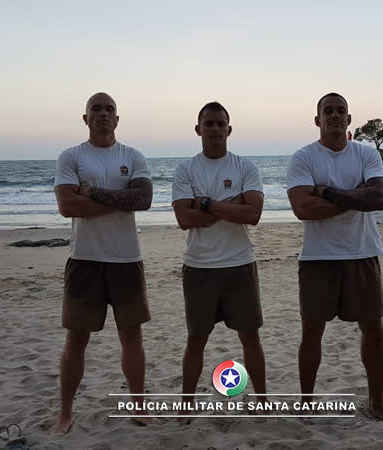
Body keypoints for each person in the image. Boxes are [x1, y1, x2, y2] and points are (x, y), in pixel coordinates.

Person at [286, 92, 383, 420]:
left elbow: (378, 198)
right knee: (311, 333)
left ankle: (376, 402)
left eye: (340, 110)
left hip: (363, 253)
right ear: (317, 119)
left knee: (373, 330)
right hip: (318, 258)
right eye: (328, 111)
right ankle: (306, 403)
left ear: (349, 119)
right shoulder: (303, 158)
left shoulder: (366, 154)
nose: (334, 115)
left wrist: (326, 192)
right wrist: (355, 197)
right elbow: (303, 208)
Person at [52, 92, 153, 432]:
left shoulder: (132, 156)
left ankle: (138, 405)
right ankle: (65, 412)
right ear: (85, 118)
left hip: (127, 259)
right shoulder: (71, 156)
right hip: (85, 260)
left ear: (118, 118)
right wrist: (121, 200)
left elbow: (144, 199)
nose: (103, 114)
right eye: (96, 109)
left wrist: (91, 192)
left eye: (110, 109)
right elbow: (67, 206)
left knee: (132, 339)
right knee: (76, 341)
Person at [171, 102, 268, 420]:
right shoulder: (186, 170)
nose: (214, 129)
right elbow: (184, 219)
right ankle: (186, 405)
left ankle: (262, 400)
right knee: (196, 339)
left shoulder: (245, 167)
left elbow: (253, 214)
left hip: (240, 264)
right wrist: (231, 204)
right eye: (208, 124)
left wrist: (207, 204)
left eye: (220, 124)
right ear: (198, 129)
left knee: (250, 337)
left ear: (229, 129)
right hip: (199, 266)